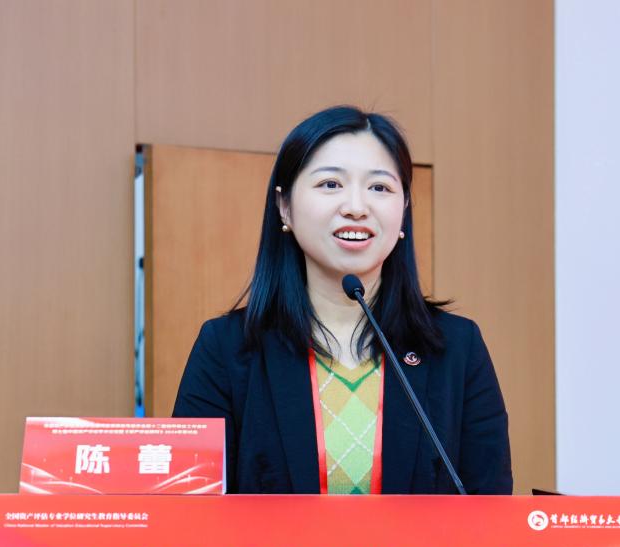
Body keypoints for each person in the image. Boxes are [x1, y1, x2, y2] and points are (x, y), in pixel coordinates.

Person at [173, 105, 512, 495]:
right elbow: (188, 510)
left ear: (403, 210)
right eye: (330, 184)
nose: (356, 207)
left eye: (379, 188)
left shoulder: (457, 349)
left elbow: (490, 508)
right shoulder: (226, 349)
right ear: (285, 206)